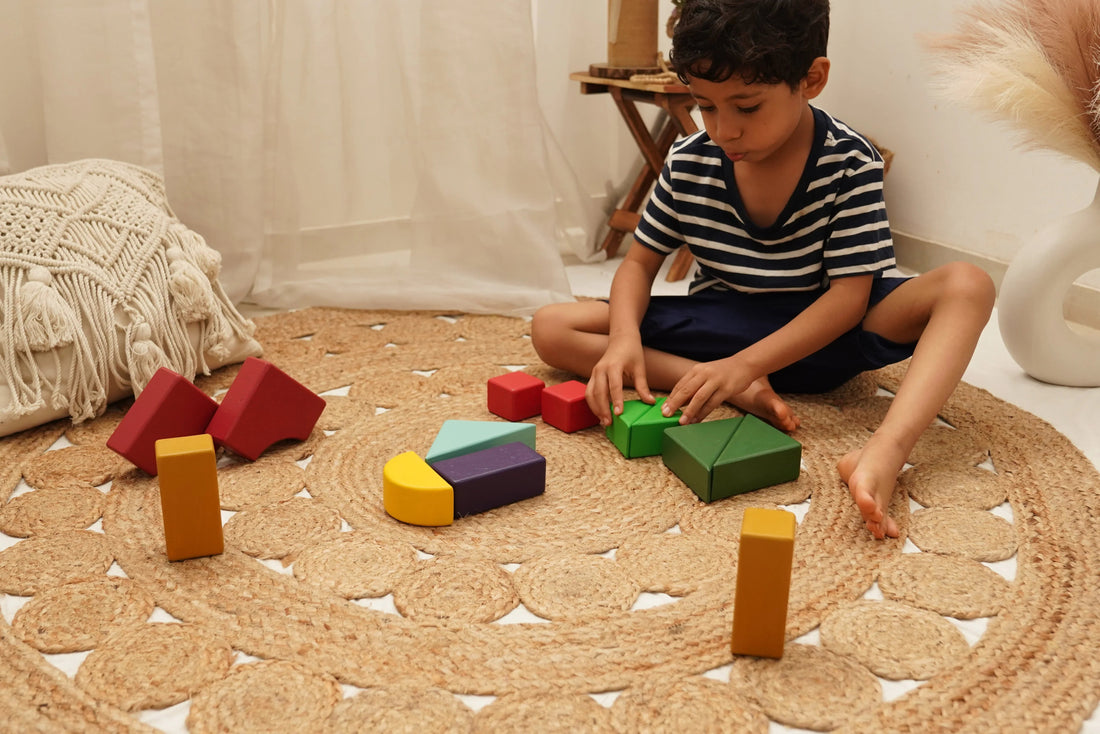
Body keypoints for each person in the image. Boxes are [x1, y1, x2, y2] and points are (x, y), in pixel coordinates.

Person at [530, 0, 996, 539]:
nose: (724, 130)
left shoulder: (850, 162)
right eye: (705, 106)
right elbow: (638, 263)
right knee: (551, 326)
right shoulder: (689, 161)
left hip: (824, 333)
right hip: (721, 332)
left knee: (969, 284)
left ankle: (882, 453)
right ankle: (722, 387)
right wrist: (623, 340)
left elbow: (849, 300)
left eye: (747, 107)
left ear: (812, 78)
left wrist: (745, 364)